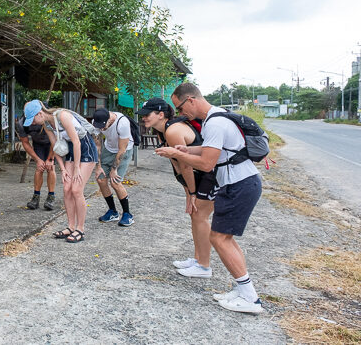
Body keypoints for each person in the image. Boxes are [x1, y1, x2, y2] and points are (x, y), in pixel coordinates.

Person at [156, 83, 264, 314]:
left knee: (219, 238)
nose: (181, 114)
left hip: (239, 184)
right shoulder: (218, 116)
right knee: (224, 238)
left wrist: (176, 153)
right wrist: (185, 150)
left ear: (192, 100)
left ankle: (249, 297)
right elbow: (211, 150)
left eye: (181, 107)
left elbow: (207, 163)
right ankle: (242, 288)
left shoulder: (214, 122)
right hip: (239, 182)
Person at [140, 97, 215, 278]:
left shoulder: (172, 131)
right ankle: (198, 260)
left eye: (147, 115)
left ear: (161, 114)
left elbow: (186, 166)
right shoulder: (161, 131)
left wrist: (193, 192)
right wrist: (188, 192)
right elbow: (177, 167)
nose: (143, 118)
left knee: (200, 216)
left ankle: (204, 266)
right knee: (194, 215)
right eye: (142, 115)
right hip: (197, 177)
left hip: (209, 174)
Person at [23, 100, 98, 243]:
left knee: (76, 189)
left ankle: (80, 229)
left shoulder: (62, 116)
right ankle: (70, 226)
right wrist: (63, 169)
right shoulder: (46, 124)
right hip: (71, 150)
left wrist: (76, 168)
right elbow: (55, 145)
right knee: (66, 188)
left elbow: (76, 141)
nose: (33, 123)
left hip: (85, 148)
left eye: (33, 119)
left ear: (40, 113)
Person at [91, 108, 135, 227]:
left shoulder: (122, 123)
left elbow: (122, 149)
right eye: (99, 127)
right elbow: (97, 145)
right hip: (108, 149)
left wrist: (114, 169)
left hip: (123, 151)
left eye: (103, 126)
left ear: (110, 118)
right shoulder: (96, 122)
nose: (102, 129)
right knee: (100, 179)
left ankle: (127, 214)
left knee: (115, 182)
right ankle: (113, 212)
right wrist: (98, 166)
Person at [16, 105, 56, 211]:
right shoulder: (21, 123)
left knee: (50, 168)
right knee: (39, 168)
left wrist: (50, 158)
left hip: (52, 144)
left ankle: (51, 196)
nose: (33, 122)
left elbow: (56, 140)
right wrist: (37, 159)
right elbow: (25, 142)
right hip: (38, 144)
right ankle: (36, 196)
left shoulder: (46, 118)